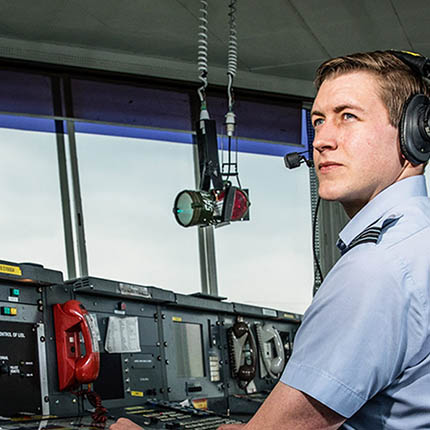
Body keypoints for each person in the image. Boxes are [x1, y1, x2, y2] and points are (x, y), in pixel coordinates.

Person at [110, 50, 430, 430]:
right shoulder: (415, 240)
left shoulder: (375, 268)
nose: (322, 140)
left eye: (348, 116)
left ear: (415, 132)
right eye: (318, 121)